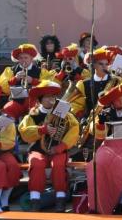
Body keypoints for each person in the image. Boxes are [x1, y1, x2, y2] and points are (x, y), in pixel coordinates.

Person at [18, 81, 80, 212]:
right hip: (38, 149)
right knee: (37, 163)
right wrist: (42, 130)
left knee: (58, 164)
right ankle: (35, 199)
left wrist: (62, 146)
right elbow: (24, 132)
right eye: (47, 97)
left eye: (53, 96)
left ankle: (60, 199)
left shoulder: (64, 113)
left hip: (58, 149)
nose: (51, 99)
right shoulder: (32, 115)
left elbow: (74, 129)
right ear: (40, 99)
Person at [86, 82, 122, 214]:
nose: (121, 101)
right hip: (109, 146)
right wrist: (101, 124)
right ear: (112, 102)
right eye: (117, 99)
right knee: (96, 165)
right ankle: (98, 206)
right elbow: (98, 135)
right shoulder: (104, 114)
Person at [0, 43, 53, 119]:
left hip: (35, 102)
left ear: (31, 58)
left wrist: (33, 81)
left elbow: (49, 86)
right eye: (21, 58)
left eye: (26, 58)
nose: (23, 60)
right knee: (7, 111)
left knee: (37, 115)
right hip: (17, 102)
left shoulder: (41, 71)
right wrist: (15, 79)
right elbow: (1, 87)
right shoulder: (11, 70)